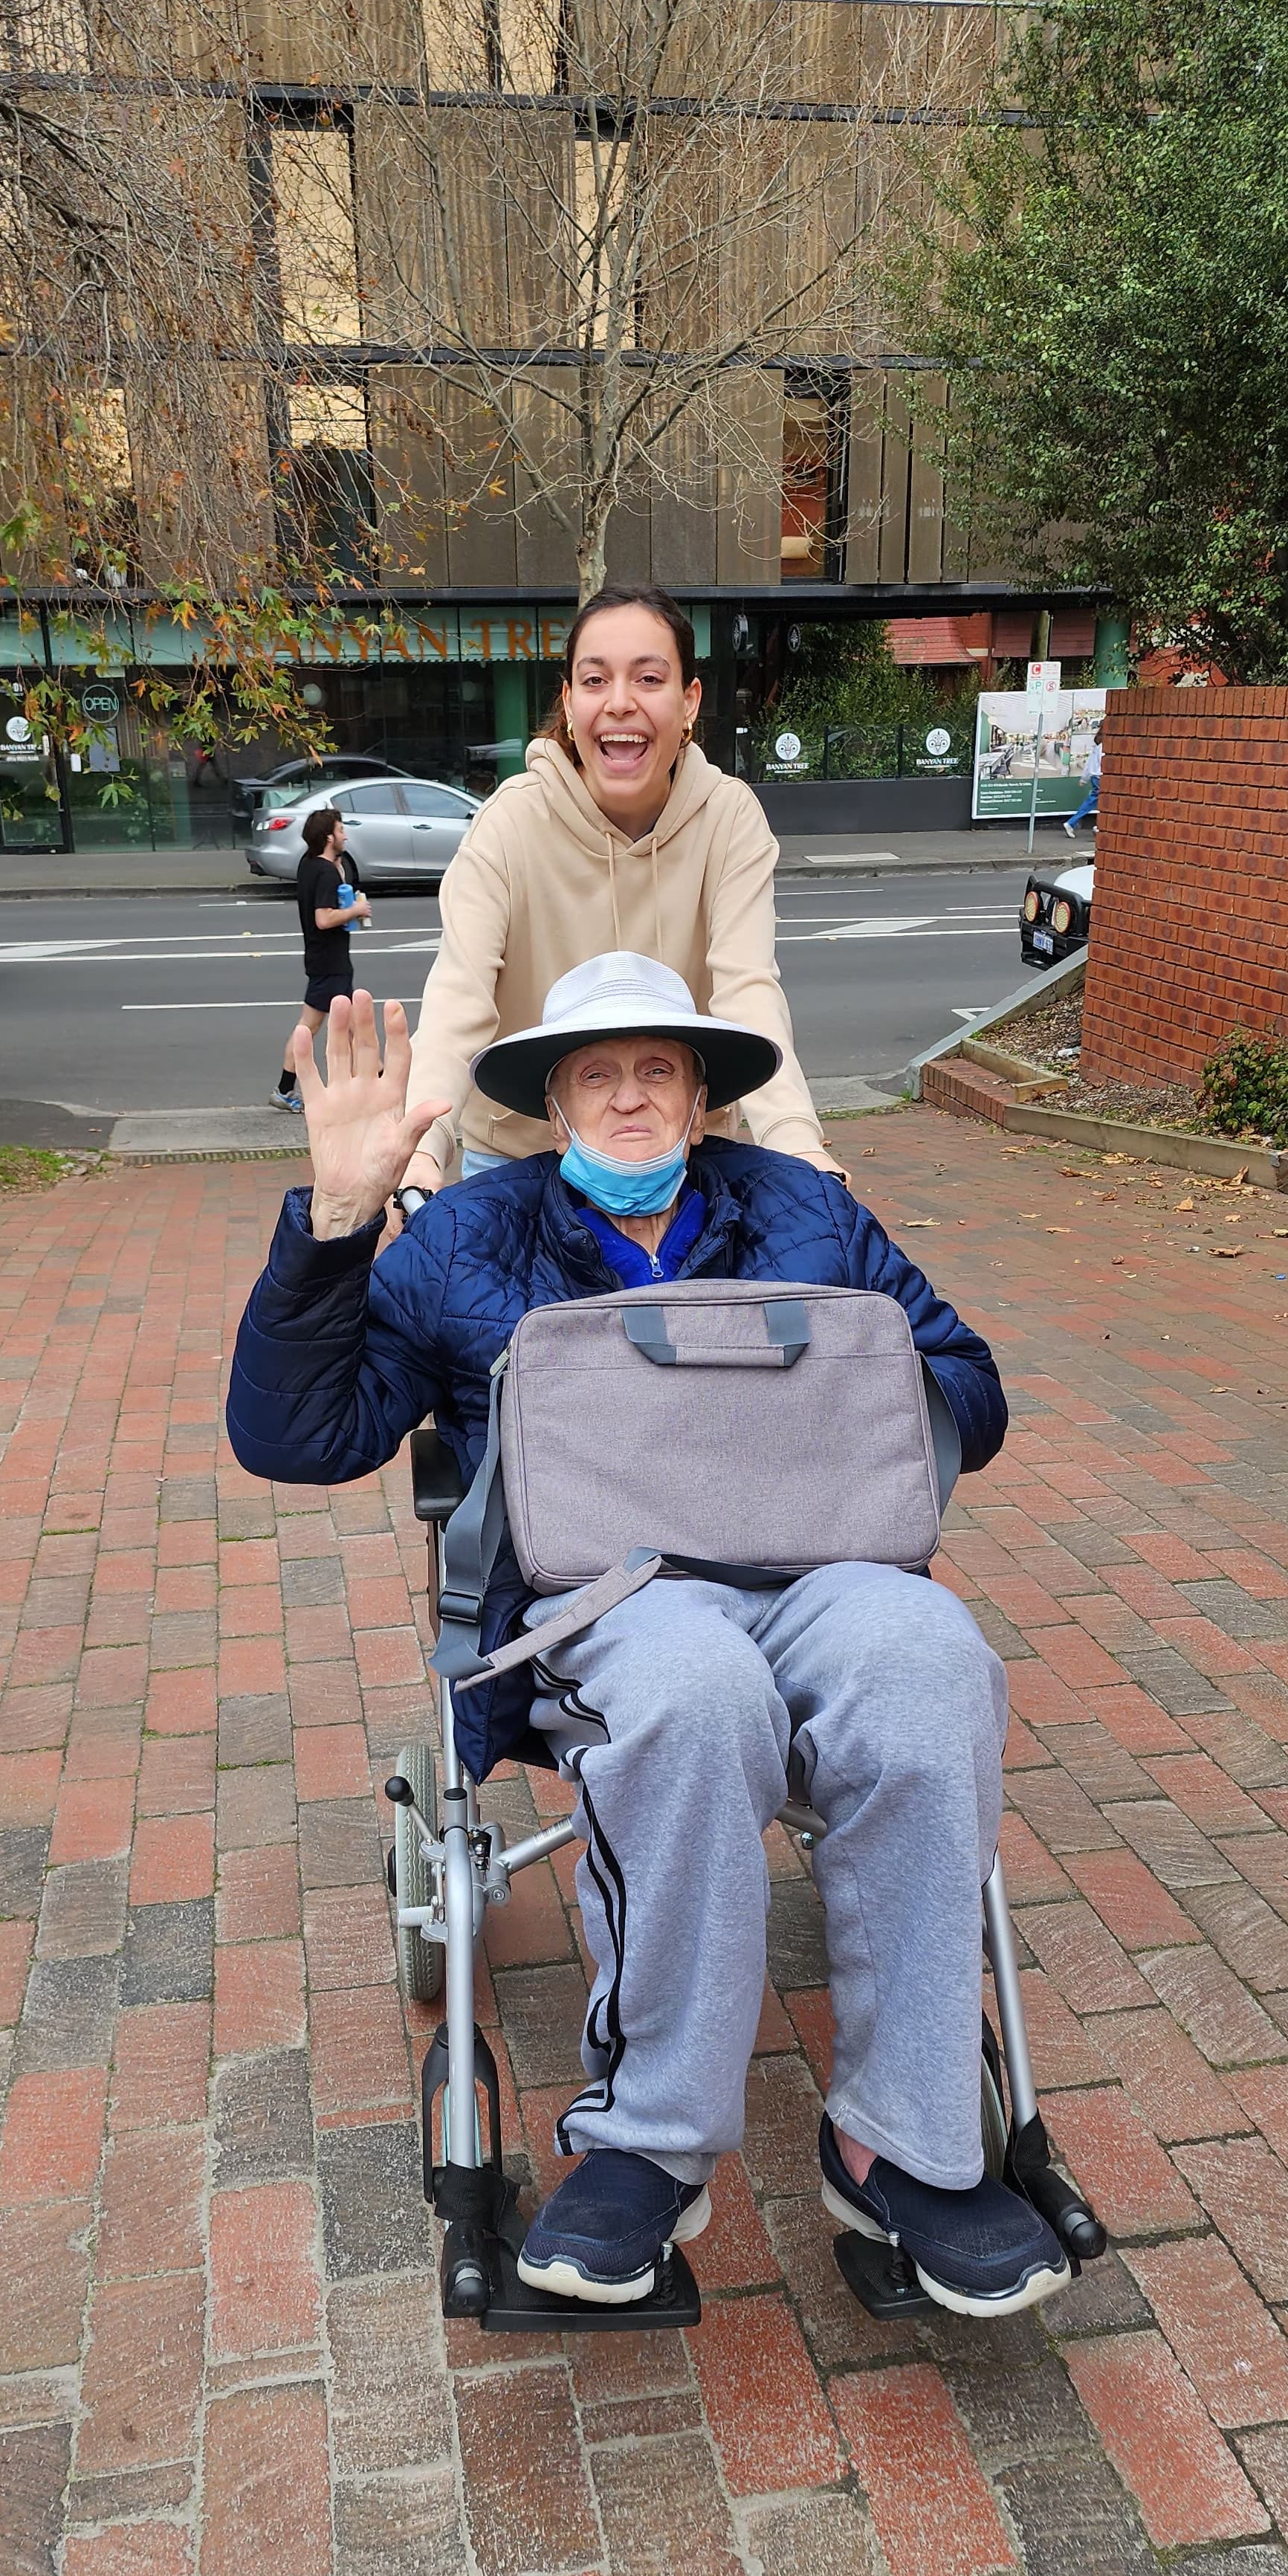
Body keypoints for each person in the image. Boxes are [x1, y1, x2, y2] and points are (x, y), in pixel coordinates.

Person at [227, 952, 1072, 2320]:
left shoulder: (802, 1209)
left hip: (825, 1569)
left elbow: (964, 1382)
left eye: (659, 1071)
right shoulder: (469, 1238)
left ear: (701, 1098)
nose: (630, 1097)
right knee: (695, 1686)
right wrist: (336, 1219)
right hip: (609, 1593)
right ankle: (650, 2147)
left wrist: (855, 1389)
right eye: (598, 1074)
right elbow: (296, 1435)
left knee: (929, 1665)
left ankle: (903, 2147)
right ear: (556, 1103)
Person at [392, 584, 842, 1210]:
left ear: (689, 701)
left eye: (649, 679)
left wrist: (796, 1143)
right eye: (595, 680)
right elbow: (458, 1000)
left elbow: (747, 990)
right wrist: (422, 1147)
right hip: (524, 1159)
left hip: (679, 1156)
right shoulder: (509, 823)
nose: (621, 702)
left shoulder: (728, 818)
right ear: (569, 702)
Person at [272, 806, 372, 1112]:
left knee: (348, 1027)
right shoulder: (326, 872)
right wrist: (356, 911)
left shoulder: (309, 864)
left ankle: (371, 1083)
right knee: (316, 1027)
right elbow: (324, 918)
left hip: (323, 959)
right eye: (341, 831)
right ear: (329, 837)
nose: (345, 836)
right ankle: (285, 1090)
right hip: (330, 962)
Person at [1063, 735, 1101, 839]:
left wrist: (1084, 779)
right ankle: (1099, 826)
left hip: (1095, 777)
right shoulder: (1105, 747)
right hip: (1102, 777)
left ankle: (1072, 823)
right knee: (1107, 803)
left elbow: (1089, 764)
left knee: (1092, 802)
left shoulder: (1097, 747)